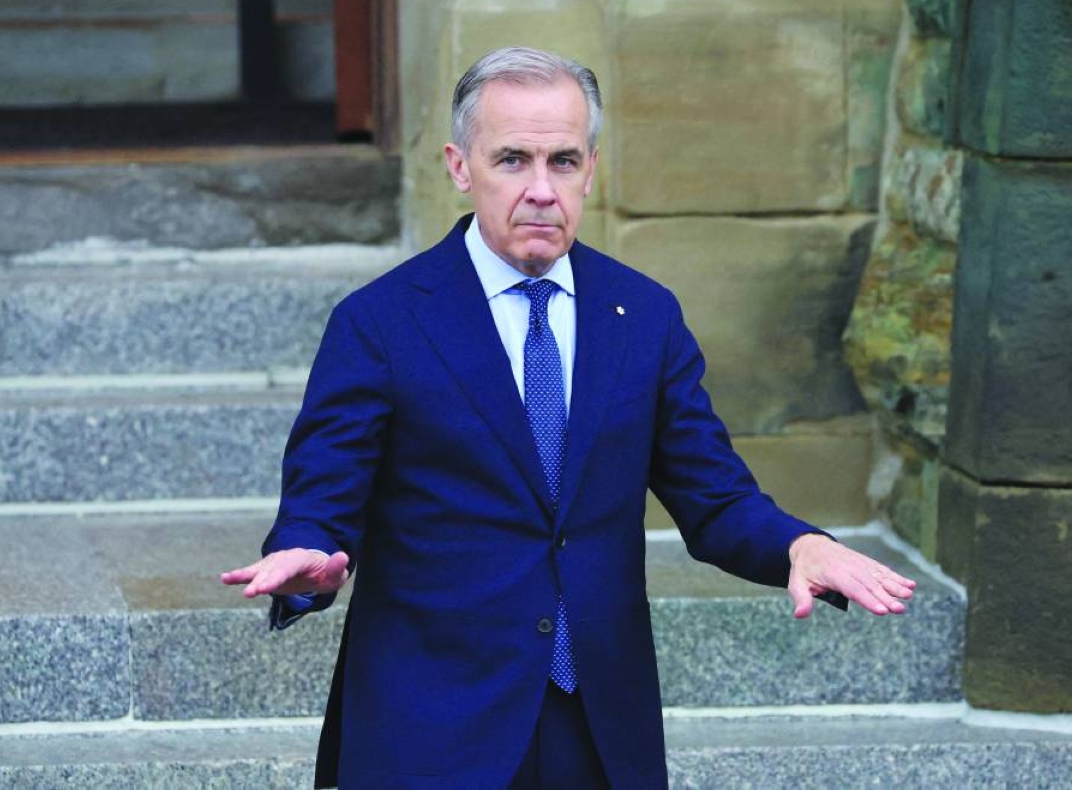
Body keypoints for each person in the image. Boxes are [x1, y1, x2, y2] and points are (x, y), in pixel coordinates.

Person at [221, 46, 915, 789]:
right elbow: (323, 498)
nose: (542, 189)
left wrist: (799, 546)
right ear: (460, 166)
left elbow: (715, 499)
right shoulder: (380, 324)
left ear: (592, 168)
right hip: (432, 728)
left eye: (563, 161)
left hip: (598, 727)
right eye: (513, 160)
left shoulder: (643, 316)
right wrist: (308, 561)